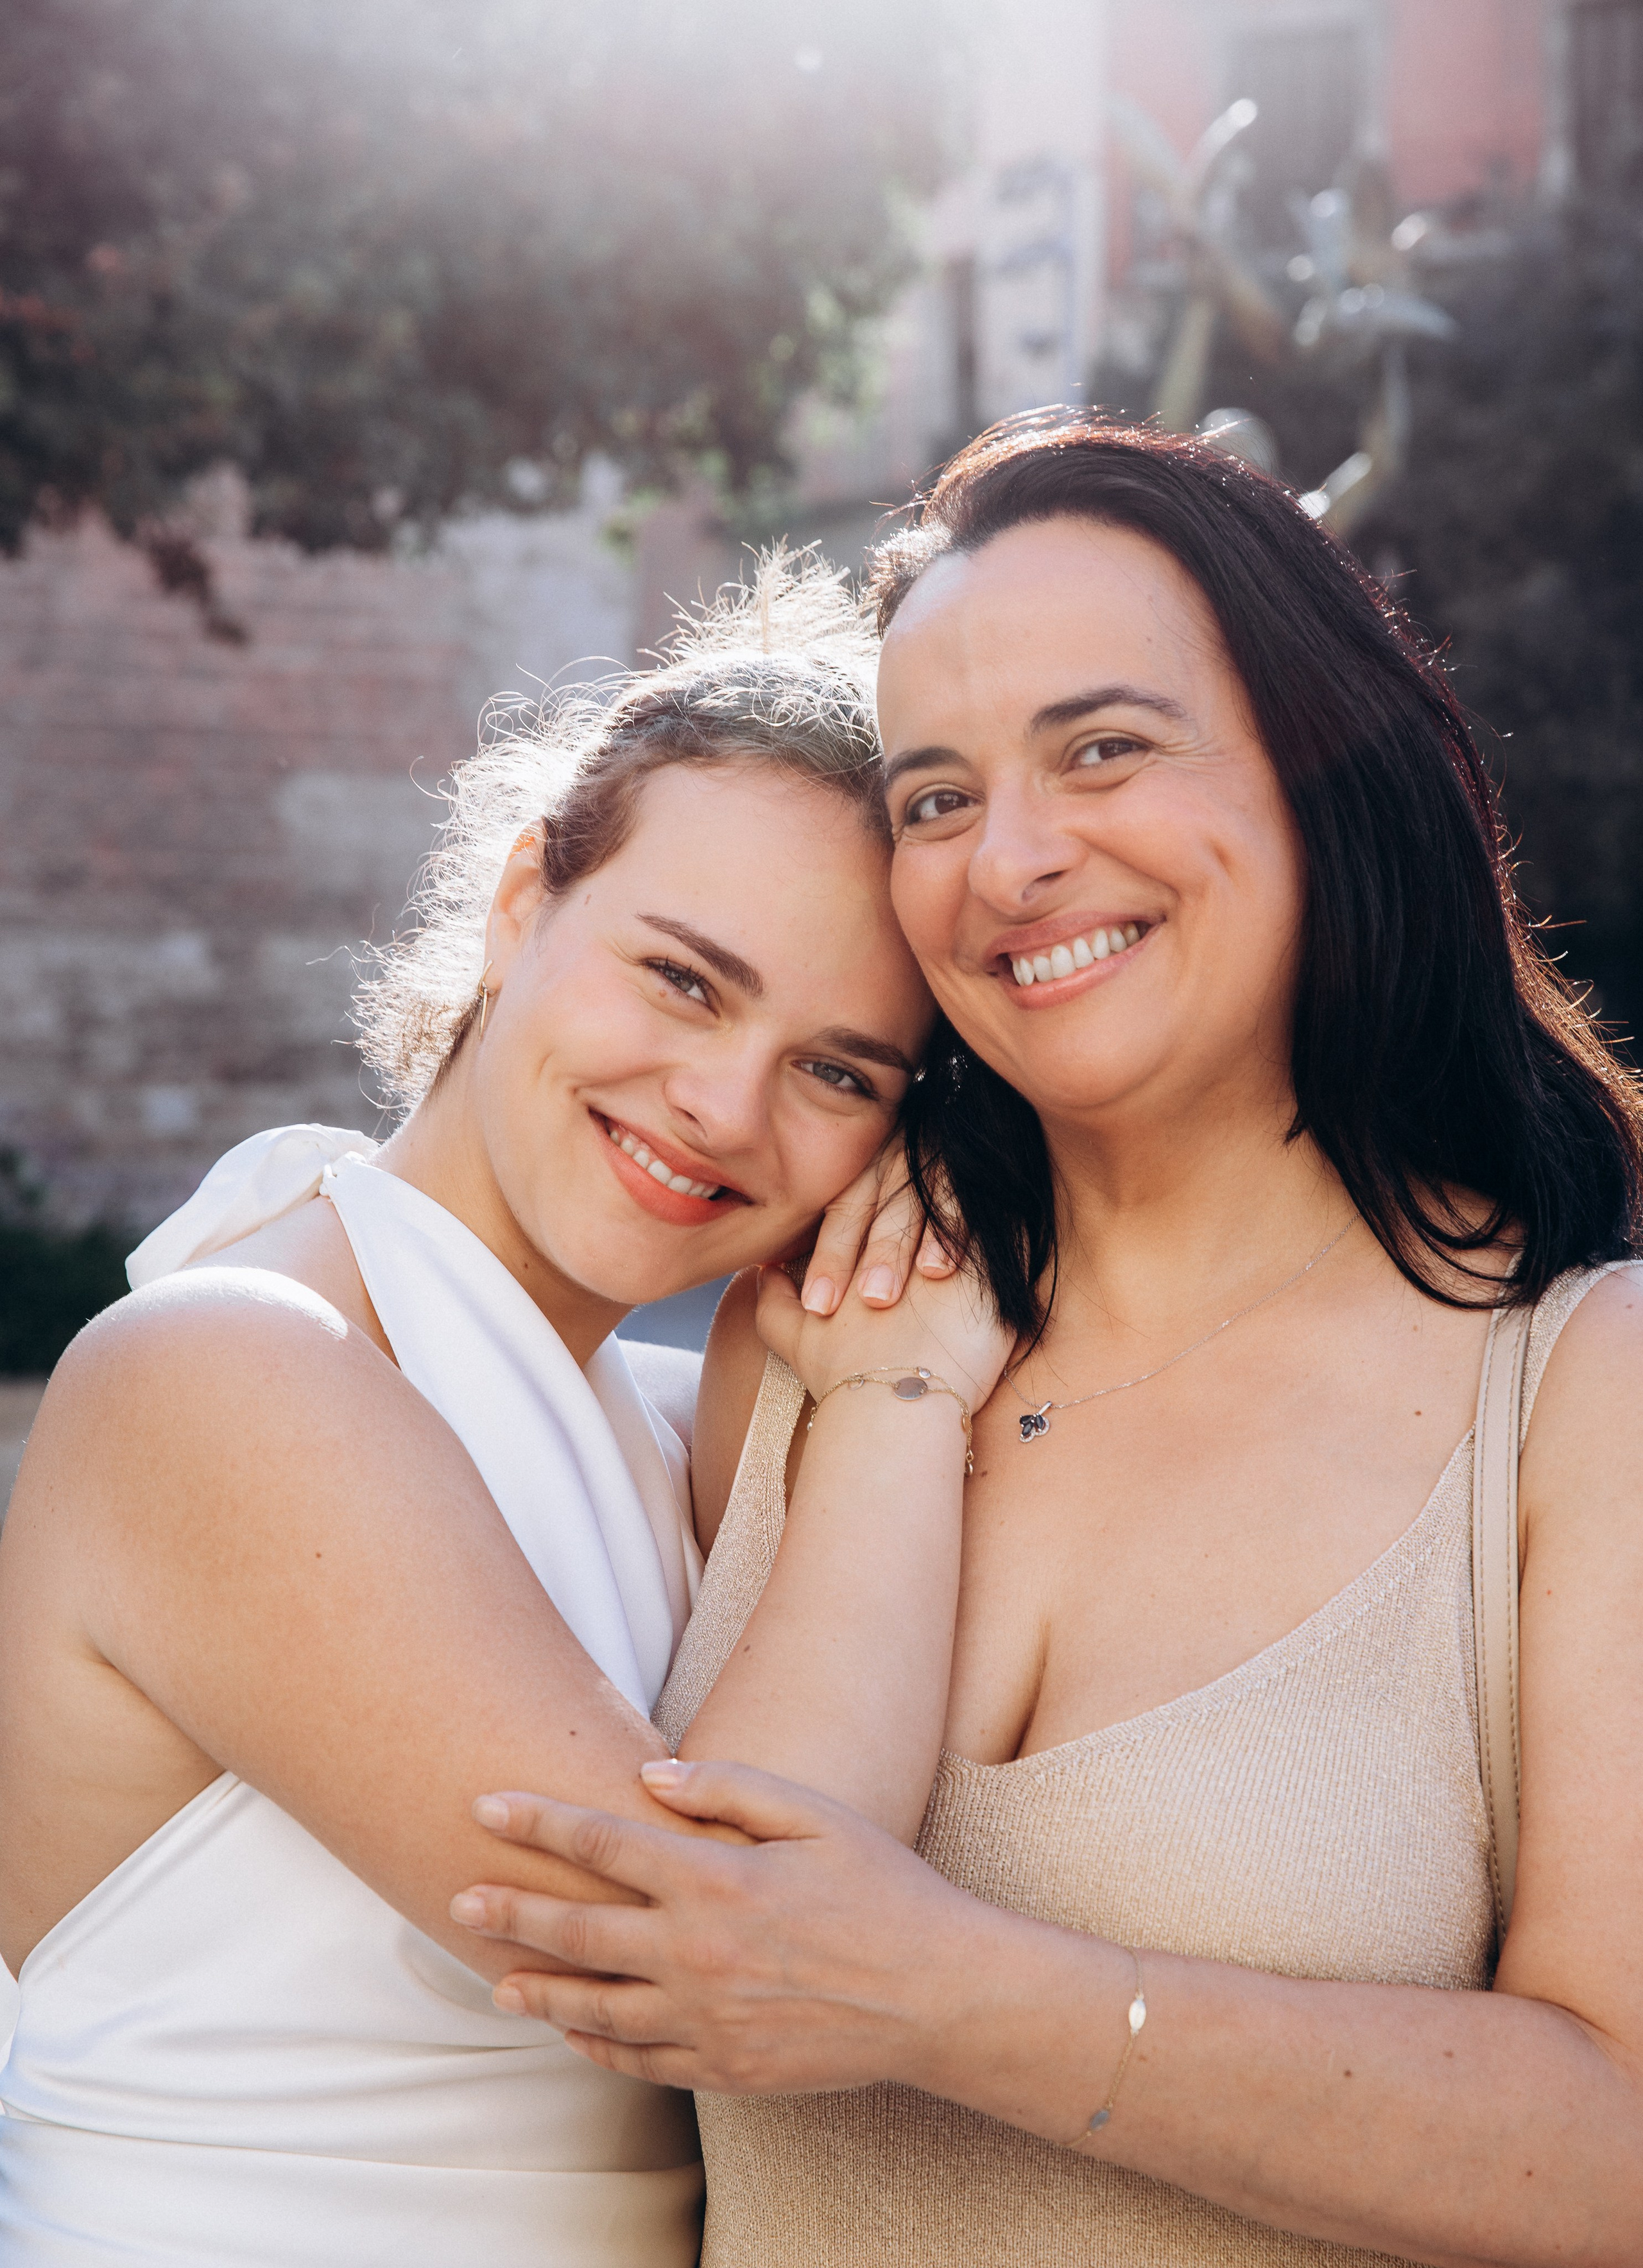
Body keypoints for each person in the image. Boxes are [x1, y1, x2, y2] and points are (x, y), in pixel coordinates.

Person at [454, 417, 1643, 2266]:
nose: (1010, 858)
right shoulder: (806, 1349)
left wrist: (954, 1997)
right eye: (935, 797)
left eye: (1103, 749)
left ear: (1331, 777)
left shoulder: (1578, 1392)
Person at [0, 558, 1011, 2266]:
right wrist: (907, 1397)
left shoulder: (656, 1420)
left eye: (840, 1070)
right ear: (525, 897)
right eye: (686, 980)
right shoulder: (229, 1370)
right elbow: (720, 1949)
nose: (720, 1106)